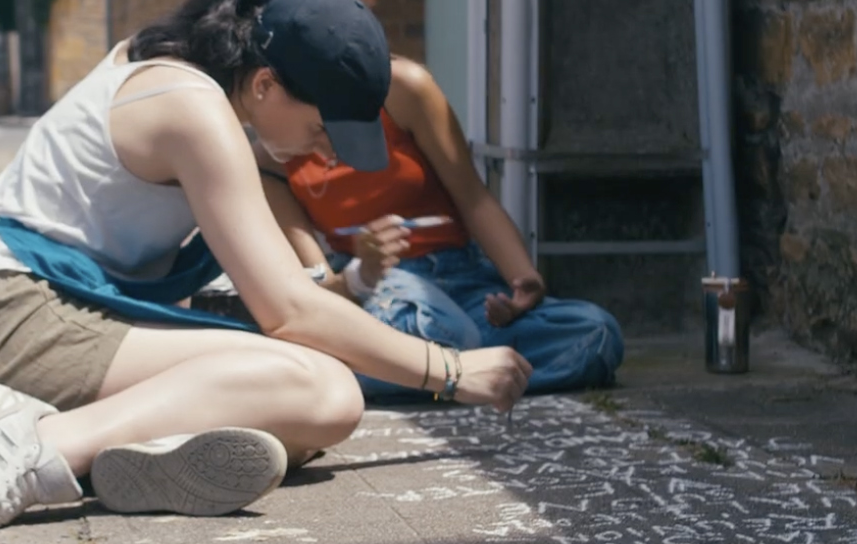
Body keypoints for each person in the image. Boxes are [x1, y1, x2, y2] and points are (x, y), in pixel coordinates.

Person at [0, 0, 532, 544]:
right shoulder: (192, 107)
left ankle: (124, 461)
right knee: (324, 389)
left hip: (25, 326)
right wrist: (452, 371)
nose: (326, 152)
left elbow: (298, 294)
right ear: (265, 85)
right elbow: (292, 312)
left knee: (297, 414)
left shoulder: (175, 72)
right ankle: (25, 448)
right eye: (322, 130)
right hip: (12, 324)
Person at [257, 56, 624, 399]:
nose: (327, 148)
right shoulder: (269, 157)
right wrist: (363, 272)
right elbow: (322, 290)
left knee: (595, 334)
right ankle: (460, 371)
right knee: (436, 328)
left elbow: (472, 195)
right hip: (382, 295)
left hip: (461, 278)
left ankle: (444, 375)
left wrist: (522, 279)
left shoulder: (401, 89)